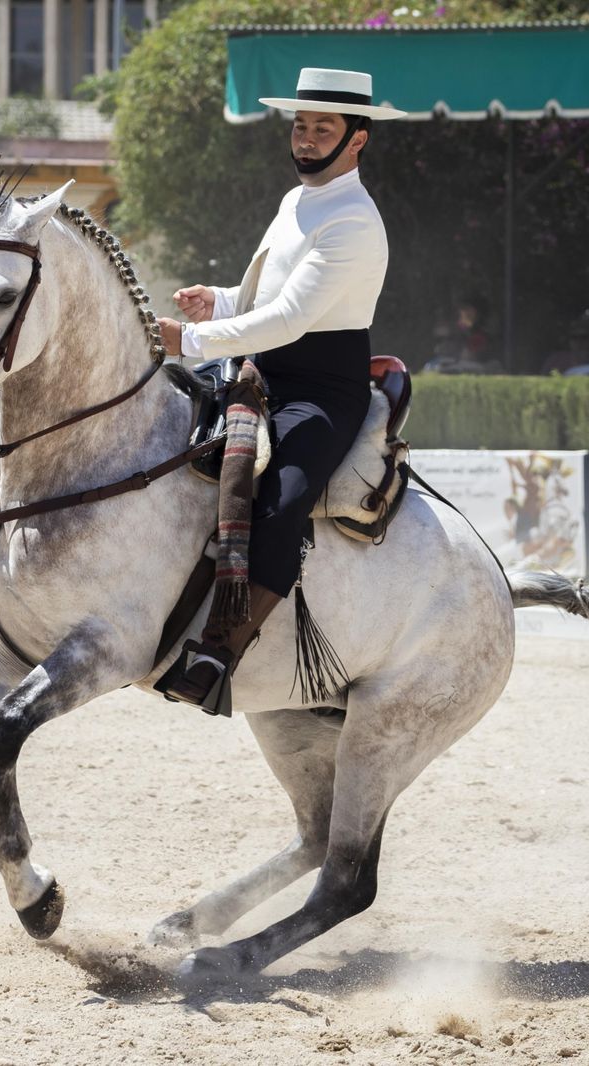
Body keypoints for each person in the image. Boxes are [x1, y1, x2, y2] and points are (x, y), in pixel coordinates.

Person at [153, 67, 405, 710]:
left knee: (281, 500)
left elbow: (294, 318)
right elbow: (270, 296)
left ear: (358, 139)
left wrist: (188, 339)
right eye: (301, 125)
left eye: (324, 127)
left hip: (321, 388)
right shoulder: (297, 202)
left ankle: (218, 649)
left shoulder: (354, 221)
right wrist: (222, 300)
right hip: (261, 366)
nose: (307, 137)